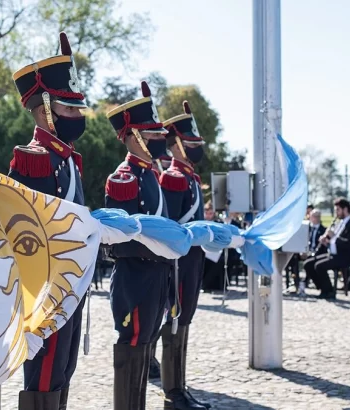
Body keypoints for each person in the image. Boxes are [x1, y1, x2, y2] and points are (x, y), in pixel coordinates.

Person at [8, 32, 87, 410]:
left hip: (72, 287)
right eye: (68, 109)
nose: (77, 116)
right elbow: (21, 233)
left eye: (77, 109)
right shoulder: (32, 159)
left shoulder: (70, 161)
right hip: (46, 293)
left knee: (63, 372)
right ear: (44, 108)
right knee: (43, 378)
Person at [105, 81, 172, 410]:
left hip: (156, 275)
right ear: (133, 135)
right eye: (154, 133)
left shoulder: (151, 175)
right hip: (136, 277)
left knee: (146, 347)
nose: (162, 139)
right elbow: (120, 241)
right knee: (132, 346)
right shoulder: (125, 178)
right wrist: (160, 240)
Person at [156, 100, 210, 410]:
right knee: (174, 321)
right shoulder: (174, 178)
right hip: (179, 261)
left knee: (185, 321)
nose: (196, 148)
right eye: (190, 142)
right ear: (175, 144)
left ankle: (180, 387)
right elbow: (171, 225)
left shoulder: (189, 176)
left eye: (197, 142)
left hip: (193, 258)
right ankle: (171, 393)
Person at [305, 198, 350, 299]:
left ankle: (328, 291)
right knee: (308, 264)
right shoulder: (340, 223)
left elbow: (349, 244)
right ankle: (324, 287)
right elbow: (334, 242)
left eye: (338, 210)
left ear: (345, 209)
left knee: (319, 266)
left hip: (346, 256)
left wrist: (334, 237)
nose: (336, 213)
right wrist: (326, 241)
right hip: (334, 254)